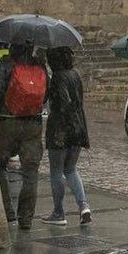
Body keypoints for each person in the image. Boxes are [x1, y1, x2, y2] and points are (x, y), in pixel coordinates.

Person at [0, 41, 48, 229]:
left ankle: (7, 211)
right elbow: (45, 95)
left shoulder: (5, 63)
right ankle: (26, 218)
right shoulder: (39, 65)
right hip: (33, 124)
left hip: (7, 121)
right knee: (30, 172)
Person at [41, 47, 91, 225]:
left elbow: (63, 102)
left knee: (56, 170)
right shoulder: (75, 74)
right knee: (70, 169)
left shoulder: (59, 77)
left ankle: (58, 212)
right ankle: (83, 205)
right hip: (78, 126)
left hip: (61, 130)